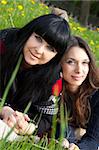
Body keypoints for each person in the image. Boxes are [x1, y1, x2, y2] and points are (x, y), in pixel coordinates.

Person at [0, 14, 70, 138]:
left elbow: (47, 118)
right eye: (38, 38)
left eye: (50, 48)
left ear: (56, 56)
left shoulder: (53, 79)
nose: (39, 50)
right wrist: (3, 109)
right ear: (28, 32)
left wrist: (30, 127)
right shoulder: (3, 44)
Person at [59, 36, 99, 150]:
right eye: (71, 62)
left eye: (84, 62)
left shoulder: (96, 94)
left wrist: (78, 147)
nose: (79, 70)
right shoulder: (53, 88)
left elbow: (93, 140)